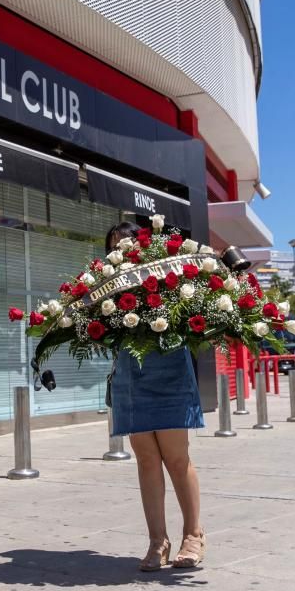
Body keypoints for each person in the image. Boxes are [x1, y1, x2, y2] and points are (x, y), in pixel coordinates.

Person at [105, 221, 206, 572]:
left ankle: (193, 536)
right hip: (132, 375)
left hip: (170, 370)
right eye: (114, 245)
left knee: (177, 458)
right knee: (147, 459)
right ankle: (157, 541)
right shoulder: (106, 286)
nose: (121, 250)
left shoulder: (167, 274)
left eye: (126, 243)